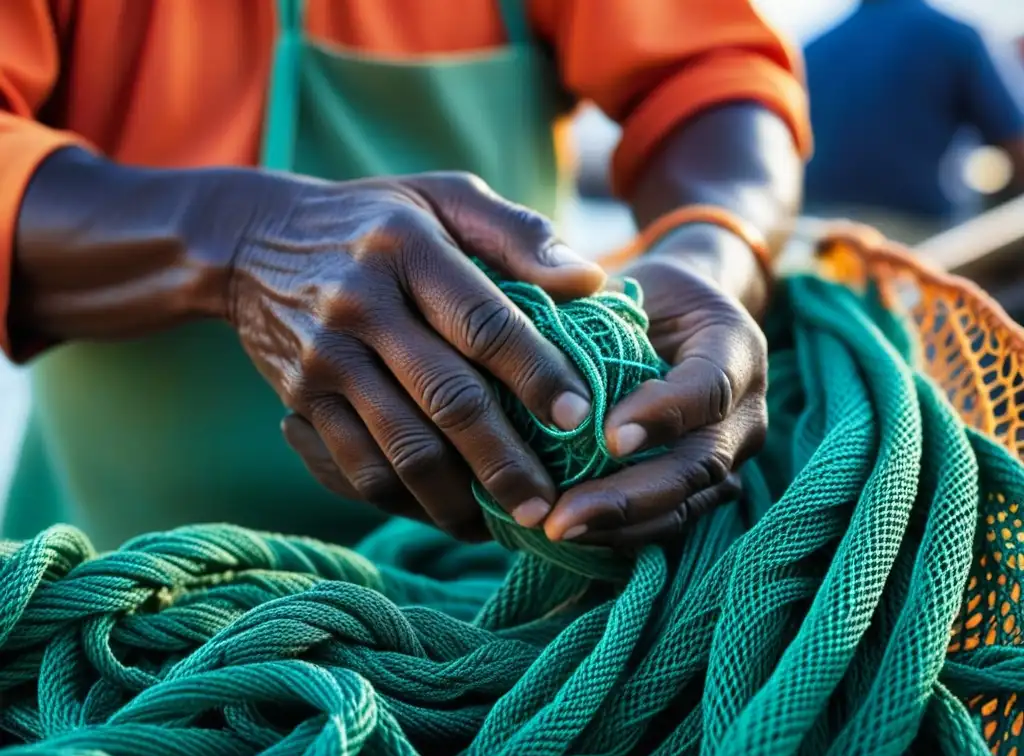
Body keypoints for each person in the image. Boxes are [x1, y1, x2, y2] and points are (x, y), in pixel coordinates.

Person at [0, 0, 809, 551]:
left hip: (500, 564)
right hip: (113, 568)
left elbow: (711, 74)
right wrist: (238, 243)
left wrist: (709, 251)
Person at [802, 0, 1024, 244]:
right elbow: (1017, 148)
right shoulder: (955, 36)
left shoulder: (812, 51)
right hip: (916, 245)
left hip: (817, 240)